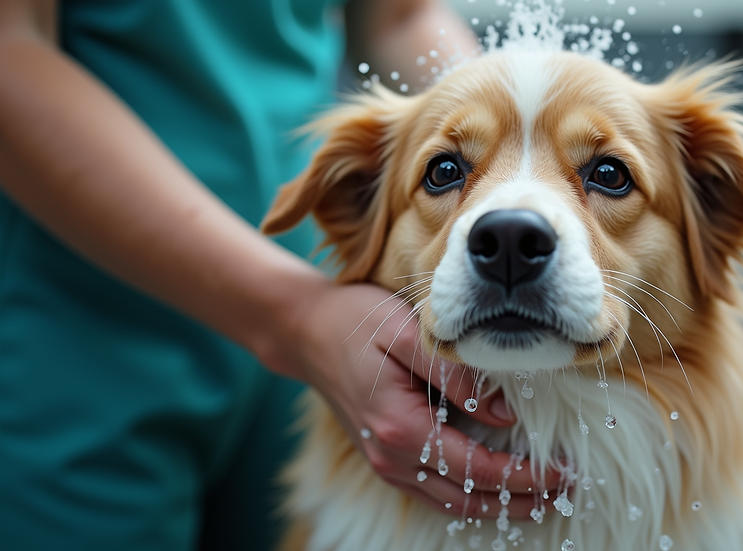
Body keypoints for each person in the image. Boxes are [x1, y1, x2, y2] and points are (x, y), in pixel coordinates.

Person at [0, 1, 552, 549]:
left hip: (310, 332)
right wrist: (296, 314)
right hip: (82, 336)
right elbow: (11, 52)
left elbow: (400, 18)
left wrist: (525, 154)